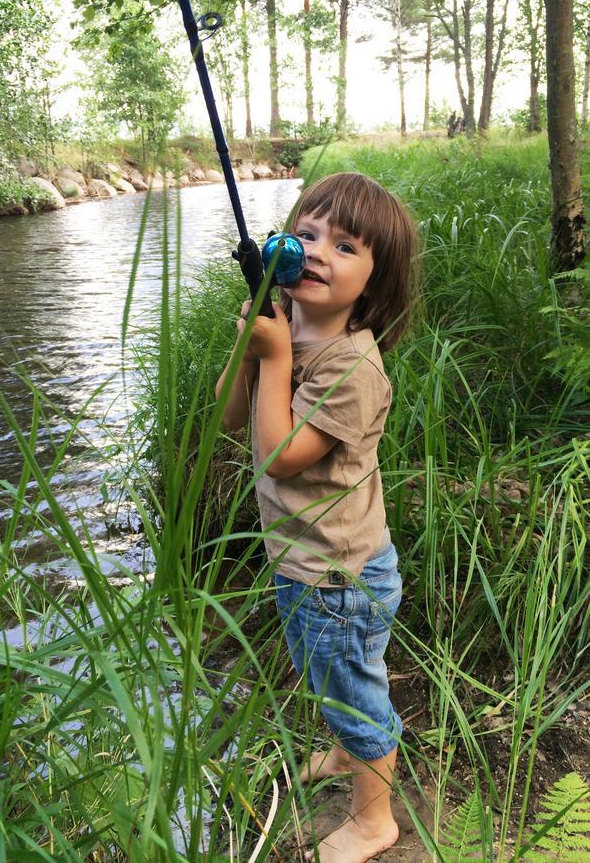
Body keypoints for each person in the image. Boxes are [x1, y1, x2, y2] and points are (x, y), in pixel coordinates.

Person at [215, 172, 417, 862]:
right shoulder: (288, 321)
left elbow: (278, 457)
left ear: (375, 280)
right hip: (302, 561)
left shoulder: (354, 369)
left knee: (354, 692)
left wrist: (274, 360)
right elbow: (230, 417)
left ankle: (373, 822)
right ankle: (341, 748)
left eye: (346, 244)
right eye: (306, 233)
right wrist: (252, 350)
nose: (318, 250)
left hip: (340, 577)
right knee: (330, 672)